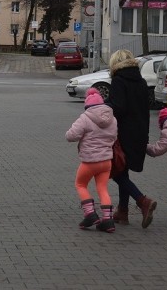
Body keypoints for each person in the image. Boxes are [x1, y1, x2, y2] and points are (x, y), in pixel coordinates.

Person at [106, 49, 157, 227]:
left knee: (117, 172)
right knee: (123, 171)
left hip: (123, 134)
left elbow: (118, 108)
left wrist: (104, 106)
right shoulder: (141, 82)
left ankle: (142, 201)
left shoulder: (119, 81)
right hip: (140, 133)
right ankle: (123, 212)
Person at [65, 88, 118, 233]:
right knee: (102, 188)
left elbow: (71, 136)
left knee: (80, 184)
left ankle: (90, 214)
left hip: (90, 161)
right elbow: (114, 137)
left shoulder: (85, 118)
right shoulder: (112, 119)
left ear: (88, 106)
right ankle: (108, 221)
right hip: (106, 161)